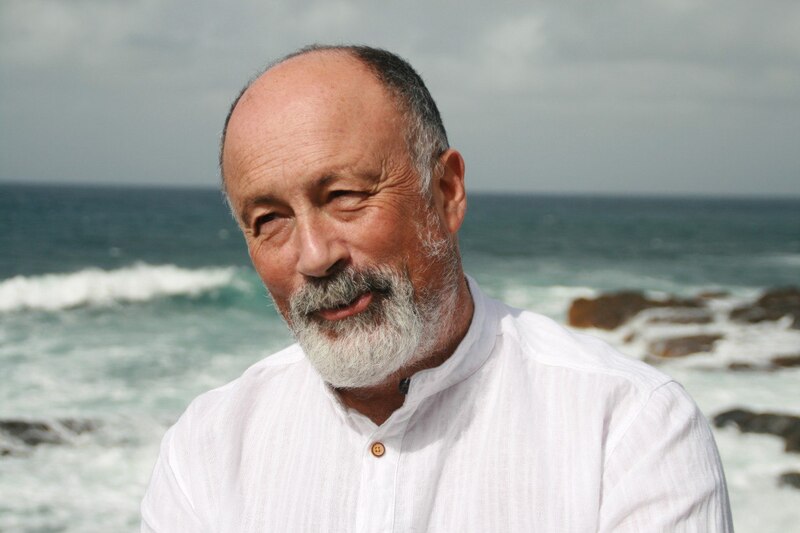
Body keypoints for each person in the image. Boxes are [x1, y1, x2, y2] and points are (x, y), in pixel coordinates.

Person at [141, 45, 733, 532]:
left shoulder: (629, 429)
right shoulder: (209, 448)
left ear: (445, 191)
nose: (315, 257)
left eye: (344, 196)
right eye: (269, 220)